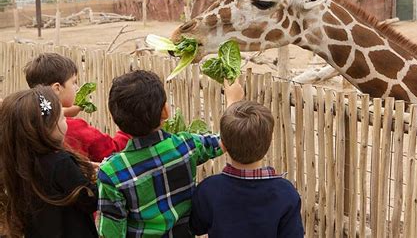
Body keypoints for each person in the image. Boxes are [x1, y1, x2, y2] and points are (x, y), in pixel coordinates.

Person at [97, 70, 244, 237]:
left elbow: (110, 233)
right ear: (165, 112)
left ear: (116, 118)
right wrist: (233, 101)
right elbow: (224, 141)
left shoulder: (112, 173)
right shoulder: (186, 146)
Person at [190, 100, 304, 238]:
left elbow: (195, 227)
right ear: (268, 143)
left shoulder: (208, 190)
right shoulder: (286, 193)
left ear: (223, 144)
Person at [0, 86, 98, 238]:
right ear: (46, 128)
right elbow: (89, 200)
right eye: (62, 118)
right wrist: (101, 178)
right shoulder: (61, 162)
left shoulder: (19, 162)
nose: (66, 121)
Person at [24, 52, 131, 162]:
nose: (77, 87)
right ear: (57, 88)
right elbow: (113, 149)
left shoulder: (25, 121)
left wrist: (63, 112)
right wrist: (130, 128)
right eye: (73, 82)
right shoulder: (75, 128)